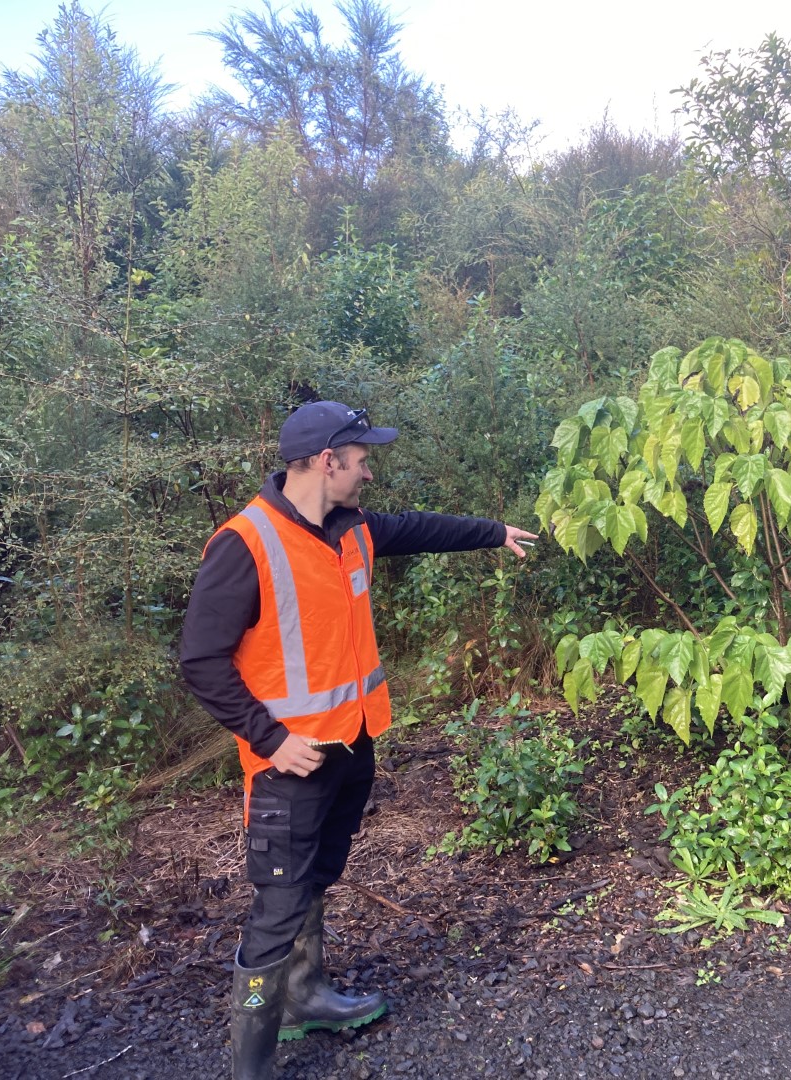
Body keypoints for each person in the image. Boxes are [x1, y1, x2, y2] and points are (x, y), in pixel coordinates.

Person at [179, 401, 536, 1079]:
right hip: (288, 765)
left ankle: (304, 996)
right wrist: (269, 739)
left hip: (349, 747)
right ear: (326, 461)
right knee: (277, 908)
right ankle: (252, 1064)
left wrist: (493, 532)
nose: (369, 472)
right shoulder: (246, 543)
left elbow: (419, 528)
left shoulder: (351, 529)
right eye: (362, 460)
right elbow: (201, 660)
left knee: (316, 879)